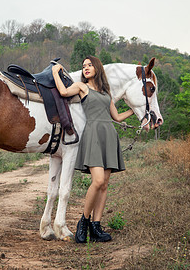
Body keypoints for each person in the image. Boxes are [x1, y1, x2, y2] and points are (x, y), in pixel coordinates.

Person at [52, 56, 134, 243]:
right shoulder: (82, 87)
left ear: (97, 67)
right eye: (83, 66)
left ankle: (96, 227)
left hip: (109, 135)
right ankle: (84, 222)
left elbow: (117, 117)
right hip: (93, 135)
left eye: (89, 65)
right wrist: (55, 73)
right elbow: (64, 92)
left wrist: (135, 110)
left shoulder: (106, 92)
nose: (86, 68)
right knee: (97, 181)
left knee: (104, 184)